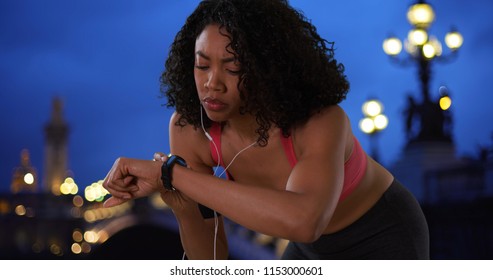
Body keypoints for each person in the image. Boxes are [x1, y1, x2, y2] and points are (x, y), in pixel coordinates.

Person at [102, 0, 429, 260]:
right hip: (311, 252)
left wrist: (172, 173)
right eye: (202, 65)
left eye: (233, 68)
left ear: (270, 69)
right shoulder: (190, 129)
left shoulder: (321, 122)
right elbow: (210, 261)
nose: (211, 84)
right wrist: (183, 205)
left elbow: (303, 221)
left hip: (383, 233)